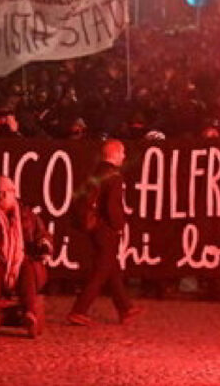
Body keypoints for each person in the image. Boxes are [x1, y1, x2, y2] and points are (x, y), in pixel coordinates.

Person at [0, 176, 54, 338]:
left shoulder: (27, 214)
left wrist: (44, 245)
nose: (2, 195)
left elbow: (43, 234)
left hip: (19, 263)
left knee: (28, 267)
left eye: (6, 192)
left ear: (14, 193)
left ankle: (29, 313)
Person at [68, 139, 143, 325]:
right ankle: (79, 310)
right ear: (114, 154)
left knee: (110, 267)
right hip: (106, 229)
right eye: (122, 152)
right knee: (101, 270)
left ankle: (125, 307)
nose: (124, 156)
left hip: (93, 227)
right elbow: (112, 207)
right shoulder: (114, 177)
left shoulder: (95, 173)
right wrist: (119, 226)